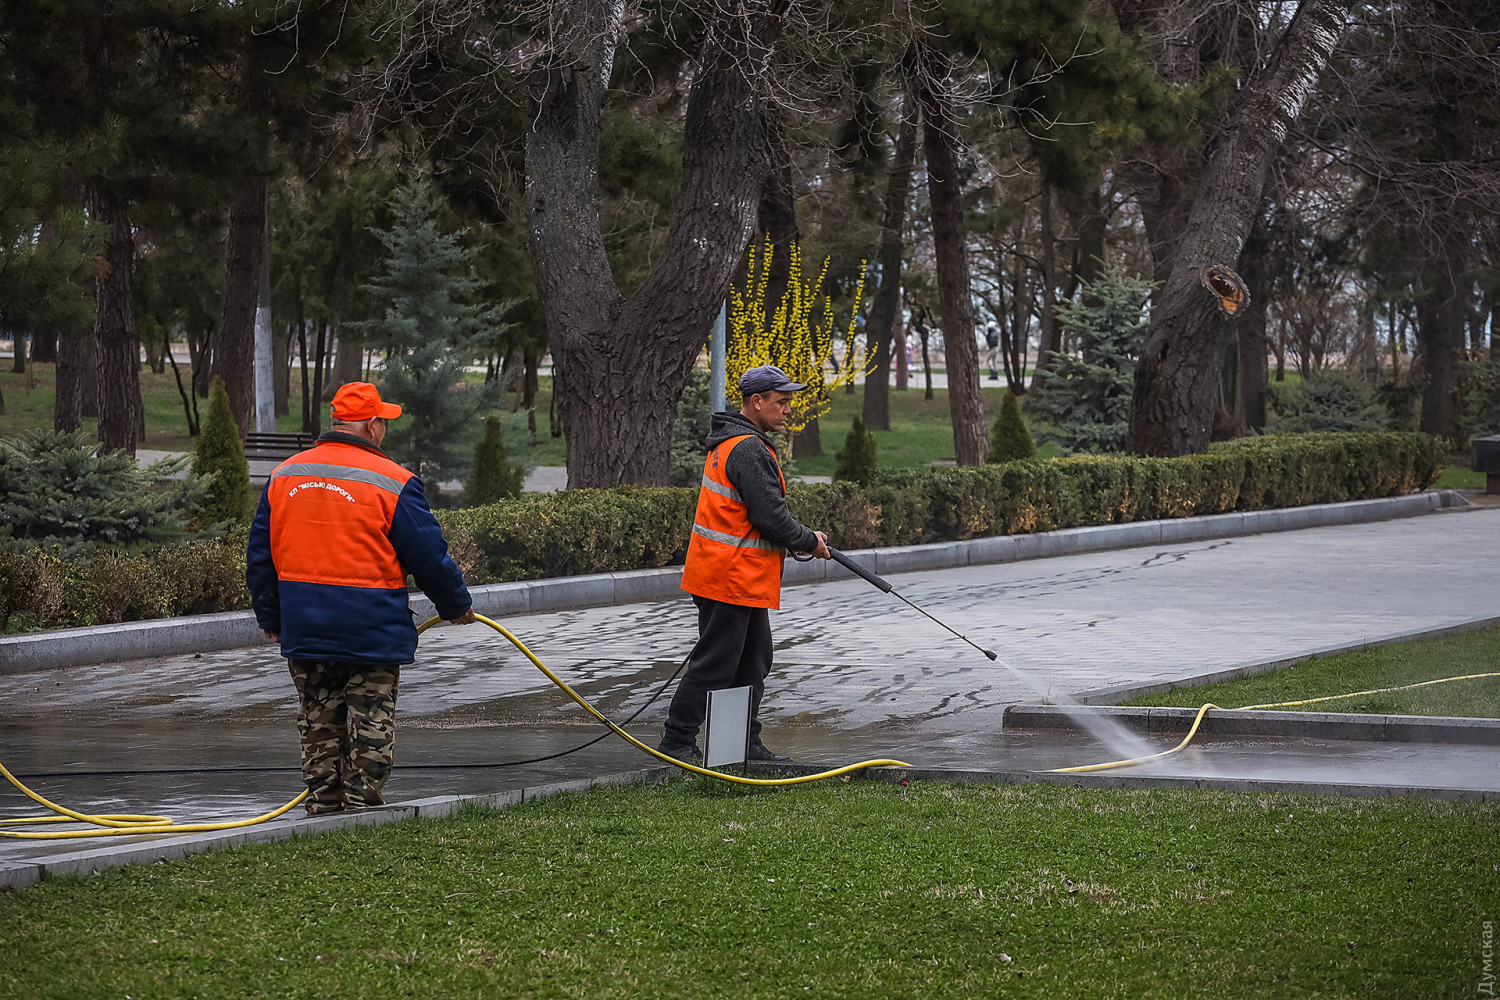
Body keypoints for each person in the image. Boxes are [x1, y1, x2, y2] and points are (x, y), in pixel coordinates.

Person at [246, 381, 475, 816]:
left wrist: (271, 617)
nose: (384, 429)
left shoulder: (285, 475)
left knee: (318, 721)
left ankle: (322, 807)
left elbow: (260, 557)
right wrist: (455, 606)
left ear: (336, 422)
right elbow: (429, 557)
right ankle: (360, 809)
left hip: (306, 626)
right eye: (383, 422)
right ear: (371, 426)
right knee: (371, 723)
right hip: (370, 630)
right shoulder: (393, 482)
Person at [658, 364, 832, 763]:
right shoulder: (747, 449)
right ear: (757, 401)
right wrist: (810, 541)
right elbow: (770, 516)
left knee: (752, 662)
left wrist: (805, 539)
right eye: (781, 401)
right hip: (728, 577)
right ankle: (677, 742)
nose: (788, 409)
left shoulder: (735, 443)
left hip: (737, 577)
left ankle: (739, 745)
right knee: (716, 664)